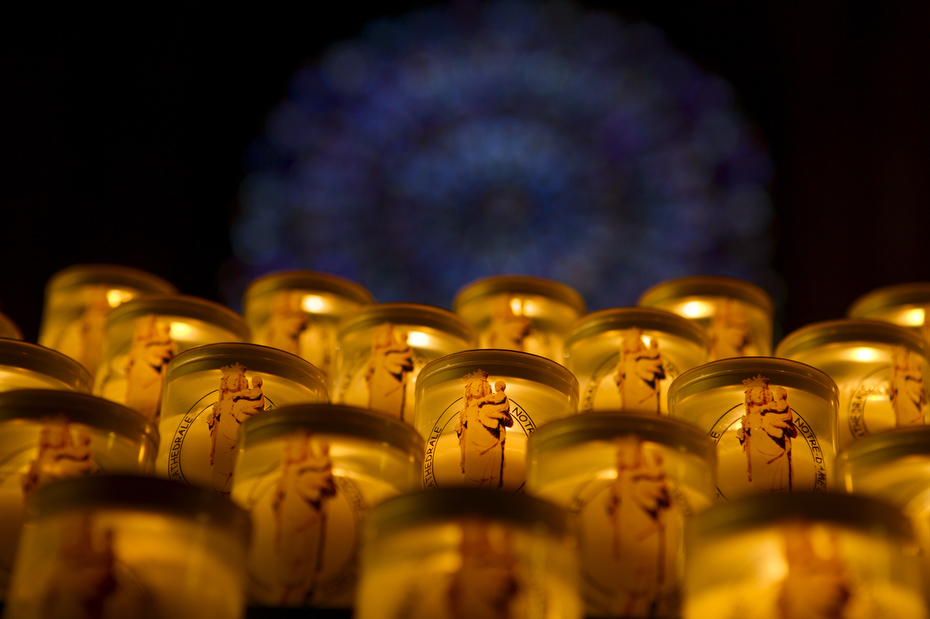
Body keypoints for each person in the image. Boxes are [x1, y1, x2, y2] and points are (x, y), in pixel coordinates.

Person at [603, 436, 678, 617]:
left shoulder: (638, 478)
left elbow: (657, 495)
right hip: (634, 532)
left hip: (647, 532)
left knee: (647, 588)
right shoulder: (624, 483)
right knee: (633, 586)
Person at [271, 433, 336, 606]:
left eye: (292, 445)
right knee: (290, 578)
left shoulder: (308, 472)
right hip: (292, 528)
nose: (287, 449)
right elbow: (277, 500)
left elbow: (321, 489)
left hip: (305, 527)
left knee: (300, 578)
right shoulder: (293, 472)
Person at [207, 363, 265, 494]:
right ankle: (219, 486)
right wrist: (212, 418)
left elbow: (253, 412)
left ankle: (233, 486)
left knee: (235, 459)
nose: (235, 382)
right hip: (223, 433)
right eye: (232, 379)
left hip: (236, 433)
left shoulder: (244, 398)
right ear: (225, 382)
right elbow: (217, 420)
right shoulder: (222, 400)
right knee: (222, 458)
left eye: (238, 379)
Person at [736, 375, 796, 492]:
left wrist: (783, 426)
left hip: (779, 454)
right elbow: (748, 445)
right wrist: (742, 435)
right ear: (749, 395)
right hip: (758, 459)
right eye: (756, 393)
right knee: (760, 487)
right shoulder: (748, 418)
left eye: (762, 392)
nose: (760, 395)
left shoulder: (773, 410)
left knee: (780, 488)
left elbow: (791, 432)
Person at [456, 370, 513, 488]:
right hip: (472, 444)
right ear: (469, 389)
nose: (478, 388)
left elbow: (507, 420)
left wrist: (498, 417)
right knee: (472, 476)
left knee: (490, 480)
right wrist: (460, 429)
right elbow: (464, 430)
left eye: (480, 386)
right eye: (475, 386)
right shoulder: (466, 409)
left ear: (485, 387)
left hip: (491, 442)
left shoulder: (490, 402)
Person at [21, 419, 95, 496]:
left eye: (61, 434)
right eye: (54, 434)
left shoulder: (70, 455)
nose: (58, 437)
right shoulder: (45, 456)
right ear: (46, 436)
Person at [125, 315, 175, 423]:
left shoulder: (158, 340)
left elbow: (165, 350)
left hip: (152, 381)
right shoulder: (140, 346)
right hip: (144, 379)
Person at [614, 329, 665, 414]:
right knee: (631, 413)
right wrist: (617, 378)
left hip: (647, 392)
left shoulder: (645, 356)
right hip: (630, 392)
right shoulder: (624, 362)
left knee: (649, 413)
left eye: (636, 342)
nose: (634, 344)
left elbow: (658, 369)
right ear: (626, 345)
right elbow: (619, 375)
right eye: (631, 342)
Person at [890, 346, 926, 426]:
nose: (894, 359)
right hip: (904, 421)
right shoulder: (896, 377)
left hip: (914, 419)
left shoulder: (914, 374)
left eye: (896, 357)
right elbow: (894, 398)